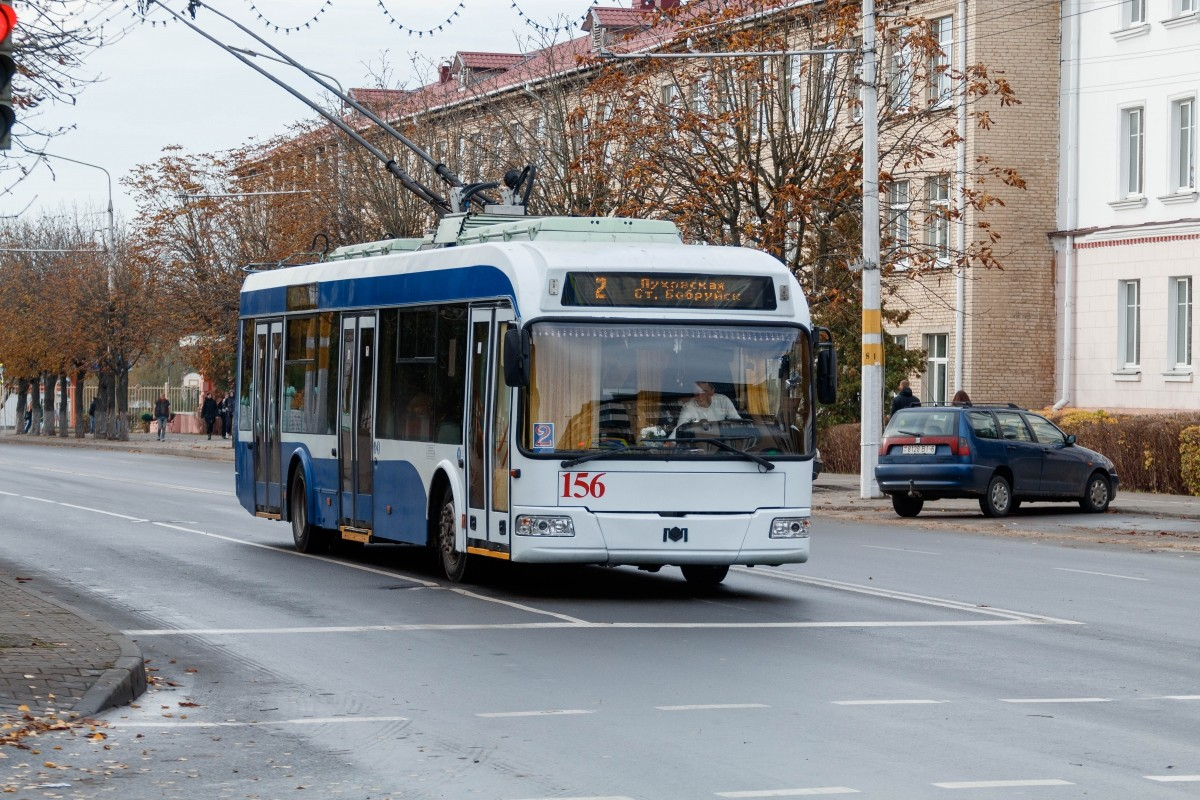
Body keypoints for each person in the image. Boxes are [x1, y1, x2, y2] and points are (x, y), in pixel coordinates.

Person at [673, 381, 741, 432]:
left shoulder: (723, 400)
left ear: (712, 392)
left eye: (704, 392)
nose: (700, 396)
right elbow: (680, 428)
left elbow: (737, 422)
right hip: (701, 443)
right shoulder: (689, 406)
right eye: (697, 392)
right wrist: (671, 442)